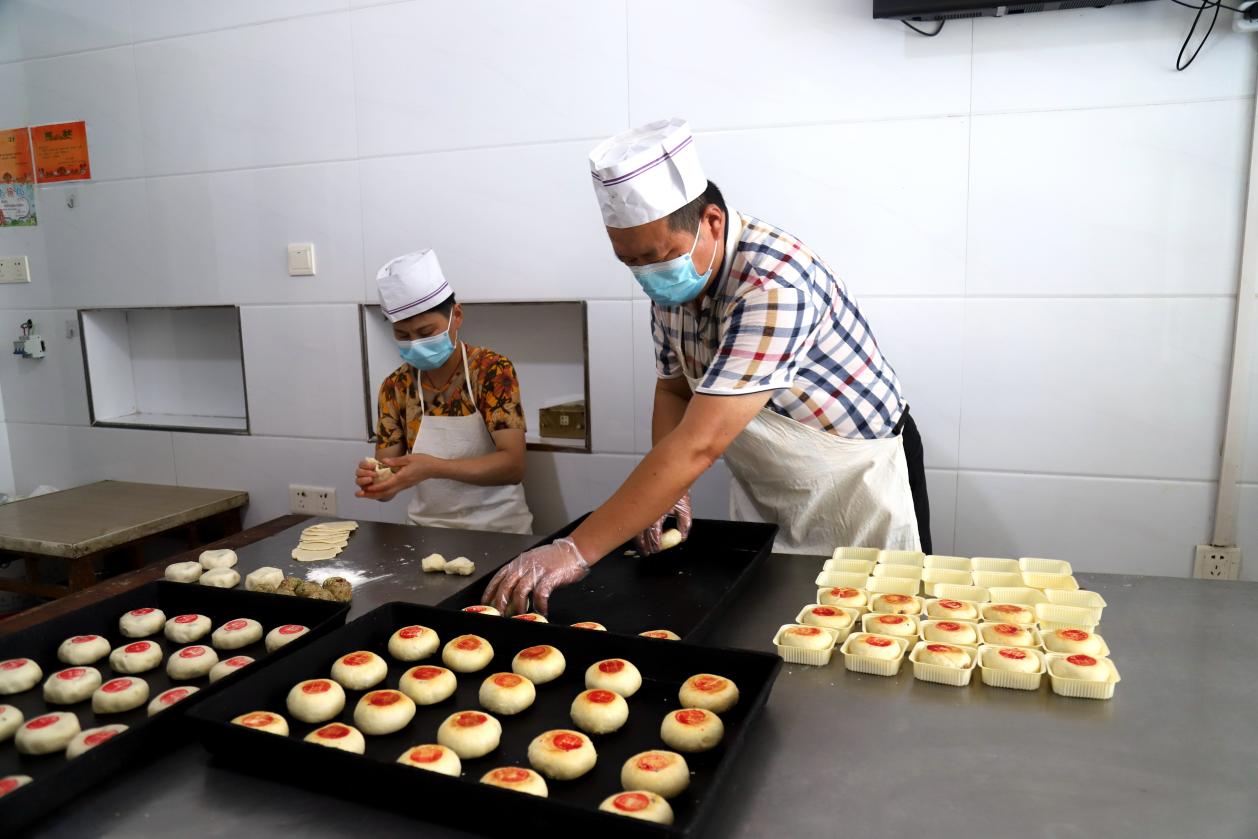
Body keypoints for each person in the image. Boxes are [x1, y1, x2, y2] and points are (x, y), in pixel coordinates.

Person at [485, 118, 928, 614]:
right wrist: (671, 491)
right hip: (775, 486)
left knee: (875, 620)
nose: (647, 277)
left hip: (858, 479)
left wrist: (574, 549)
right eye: (630, 262)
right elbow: (674, 390)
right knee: (781, 621)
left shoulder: (774, 285)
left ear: (712, 222)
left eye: (655, 257)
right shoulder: (676, 284)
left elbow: (701, 442)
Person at [356, 249, 533, 534]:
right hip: (426, 531)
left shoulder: (491, 371)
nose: (415, 343)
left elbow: (513, 465)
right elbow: (389, 475)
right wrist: (376, 480)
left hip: (498, 530)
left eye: (426, 332)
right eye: (403, 335)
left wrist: (432, 467)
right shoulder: (395, 387)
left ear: (457, 316)